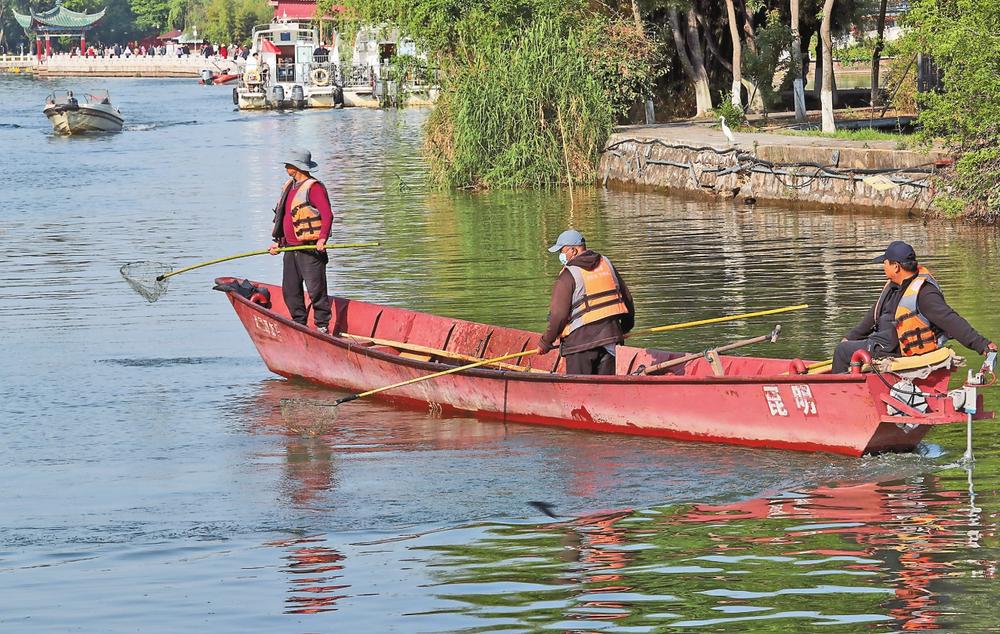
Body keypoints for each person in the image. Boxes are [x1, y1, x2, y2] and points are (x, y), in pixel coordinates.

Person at [832, 240, 996, 373]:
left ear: (896, 266)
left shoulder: (924, 294)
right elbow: (871, 318)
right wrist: (849, 337)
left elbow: (951, 320)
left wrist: (983, 345)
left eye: (885, 262)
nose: (883, 266)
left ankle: (838, 397)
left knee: (841, 351)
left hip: (891, 349)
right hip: (879, 343)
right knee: (846, 344)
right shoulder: (893, 287)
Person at [537, 230, 636, 375]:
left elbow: (558, 315)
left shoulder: (568, 276)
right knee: (605, 391)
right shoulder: (607, 264)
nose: (561, 256)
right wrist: (624, 328)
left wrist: (545, 343)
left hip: (580, 345)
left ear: (573, 250)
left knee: (580, 392)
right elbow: (627, 299)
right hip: (609, 340)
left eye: (562, 251)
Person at [268, 149, 334, 334]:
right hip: (290, 249)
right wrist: (279, 244)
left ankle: (322, 326)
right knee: (290, 290)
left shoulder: (314, 188)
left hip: (310, 249)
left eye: (288, 164)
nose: (285, 167)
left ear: (297, 167)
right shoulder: (289, 186)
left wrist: (322, 239)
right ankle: (299, 324)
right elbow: (285, 218)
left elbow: (327, 215)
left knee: (316, 290)